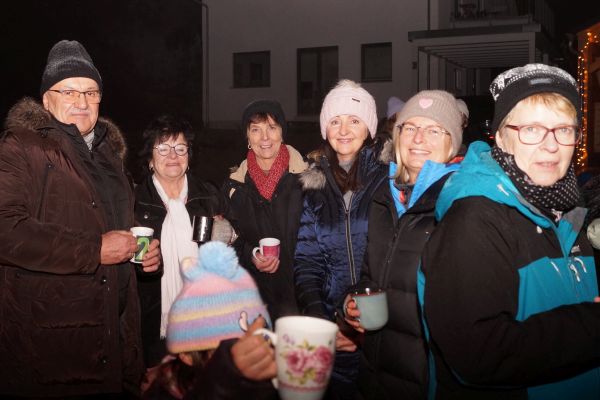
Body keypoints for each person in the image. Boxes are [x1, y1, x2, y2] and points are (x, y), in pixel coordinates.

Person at [419, 64, 600, 399]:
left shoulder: (567, 208)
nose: (551, 145)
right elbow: (478, 354)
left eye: (563, 129)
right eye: (531, 129)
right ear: (501, 137)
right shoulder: (474, 219)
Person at [0, 39, 160, 397]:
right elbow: (6, 231)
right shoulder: (21, 147)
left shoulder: (110, 157)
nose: (82, 102)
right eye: (69, 91)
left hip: (114, 336)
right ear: (46, 100)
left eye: (90, 92)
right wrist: (94, 249)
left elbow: (118, 229)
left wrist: (145, 254)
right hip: (52, 346)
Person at [344, 90, 464, 399]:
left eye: (433, 130)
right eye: (410, 127)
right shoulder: (384, 197)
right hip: (374, 373)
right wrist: (352, 302)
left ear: (452, 142)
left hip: (426, 380)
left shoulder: (460, 203)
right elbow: (372, 273)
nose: (418, 138)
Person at [294, 79, 388, 399]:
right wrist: (324, 325)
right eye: (335, 121)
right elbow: (307, 262)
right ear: (325, 129)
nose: (344, 130)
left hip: (384, 329)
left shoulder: (389, 178)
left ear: (369, 128)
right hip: (336, 329)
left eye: (354, 120)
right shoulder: (315, 187)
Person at [134, 115, 230, 372]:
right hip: (152, 320)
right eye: (163, 148)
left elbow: (231, 249)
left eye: (180, 148)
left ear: (189, 155)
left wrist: (230, 237)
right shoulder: (134, 201)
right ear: (150, 158)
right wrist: (140, 264)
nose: (173, 155)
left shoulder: (208, 195)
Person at [143, 241, 277, 400]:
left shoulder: (266, 384)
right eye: (226, 350)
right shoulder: (166, 392)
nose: (248, 354)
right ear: (187, 355)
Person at [223, 99, 308, 321]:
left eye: (272, 127)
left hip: (300, 297)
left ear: (282, 133)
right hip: (254, 300)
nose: (265, 138)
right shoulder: (234, 187)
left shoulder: (307, 180)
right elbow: (232, 240)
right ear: (247, 138)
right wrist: (252, 254)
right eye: (256, 130)